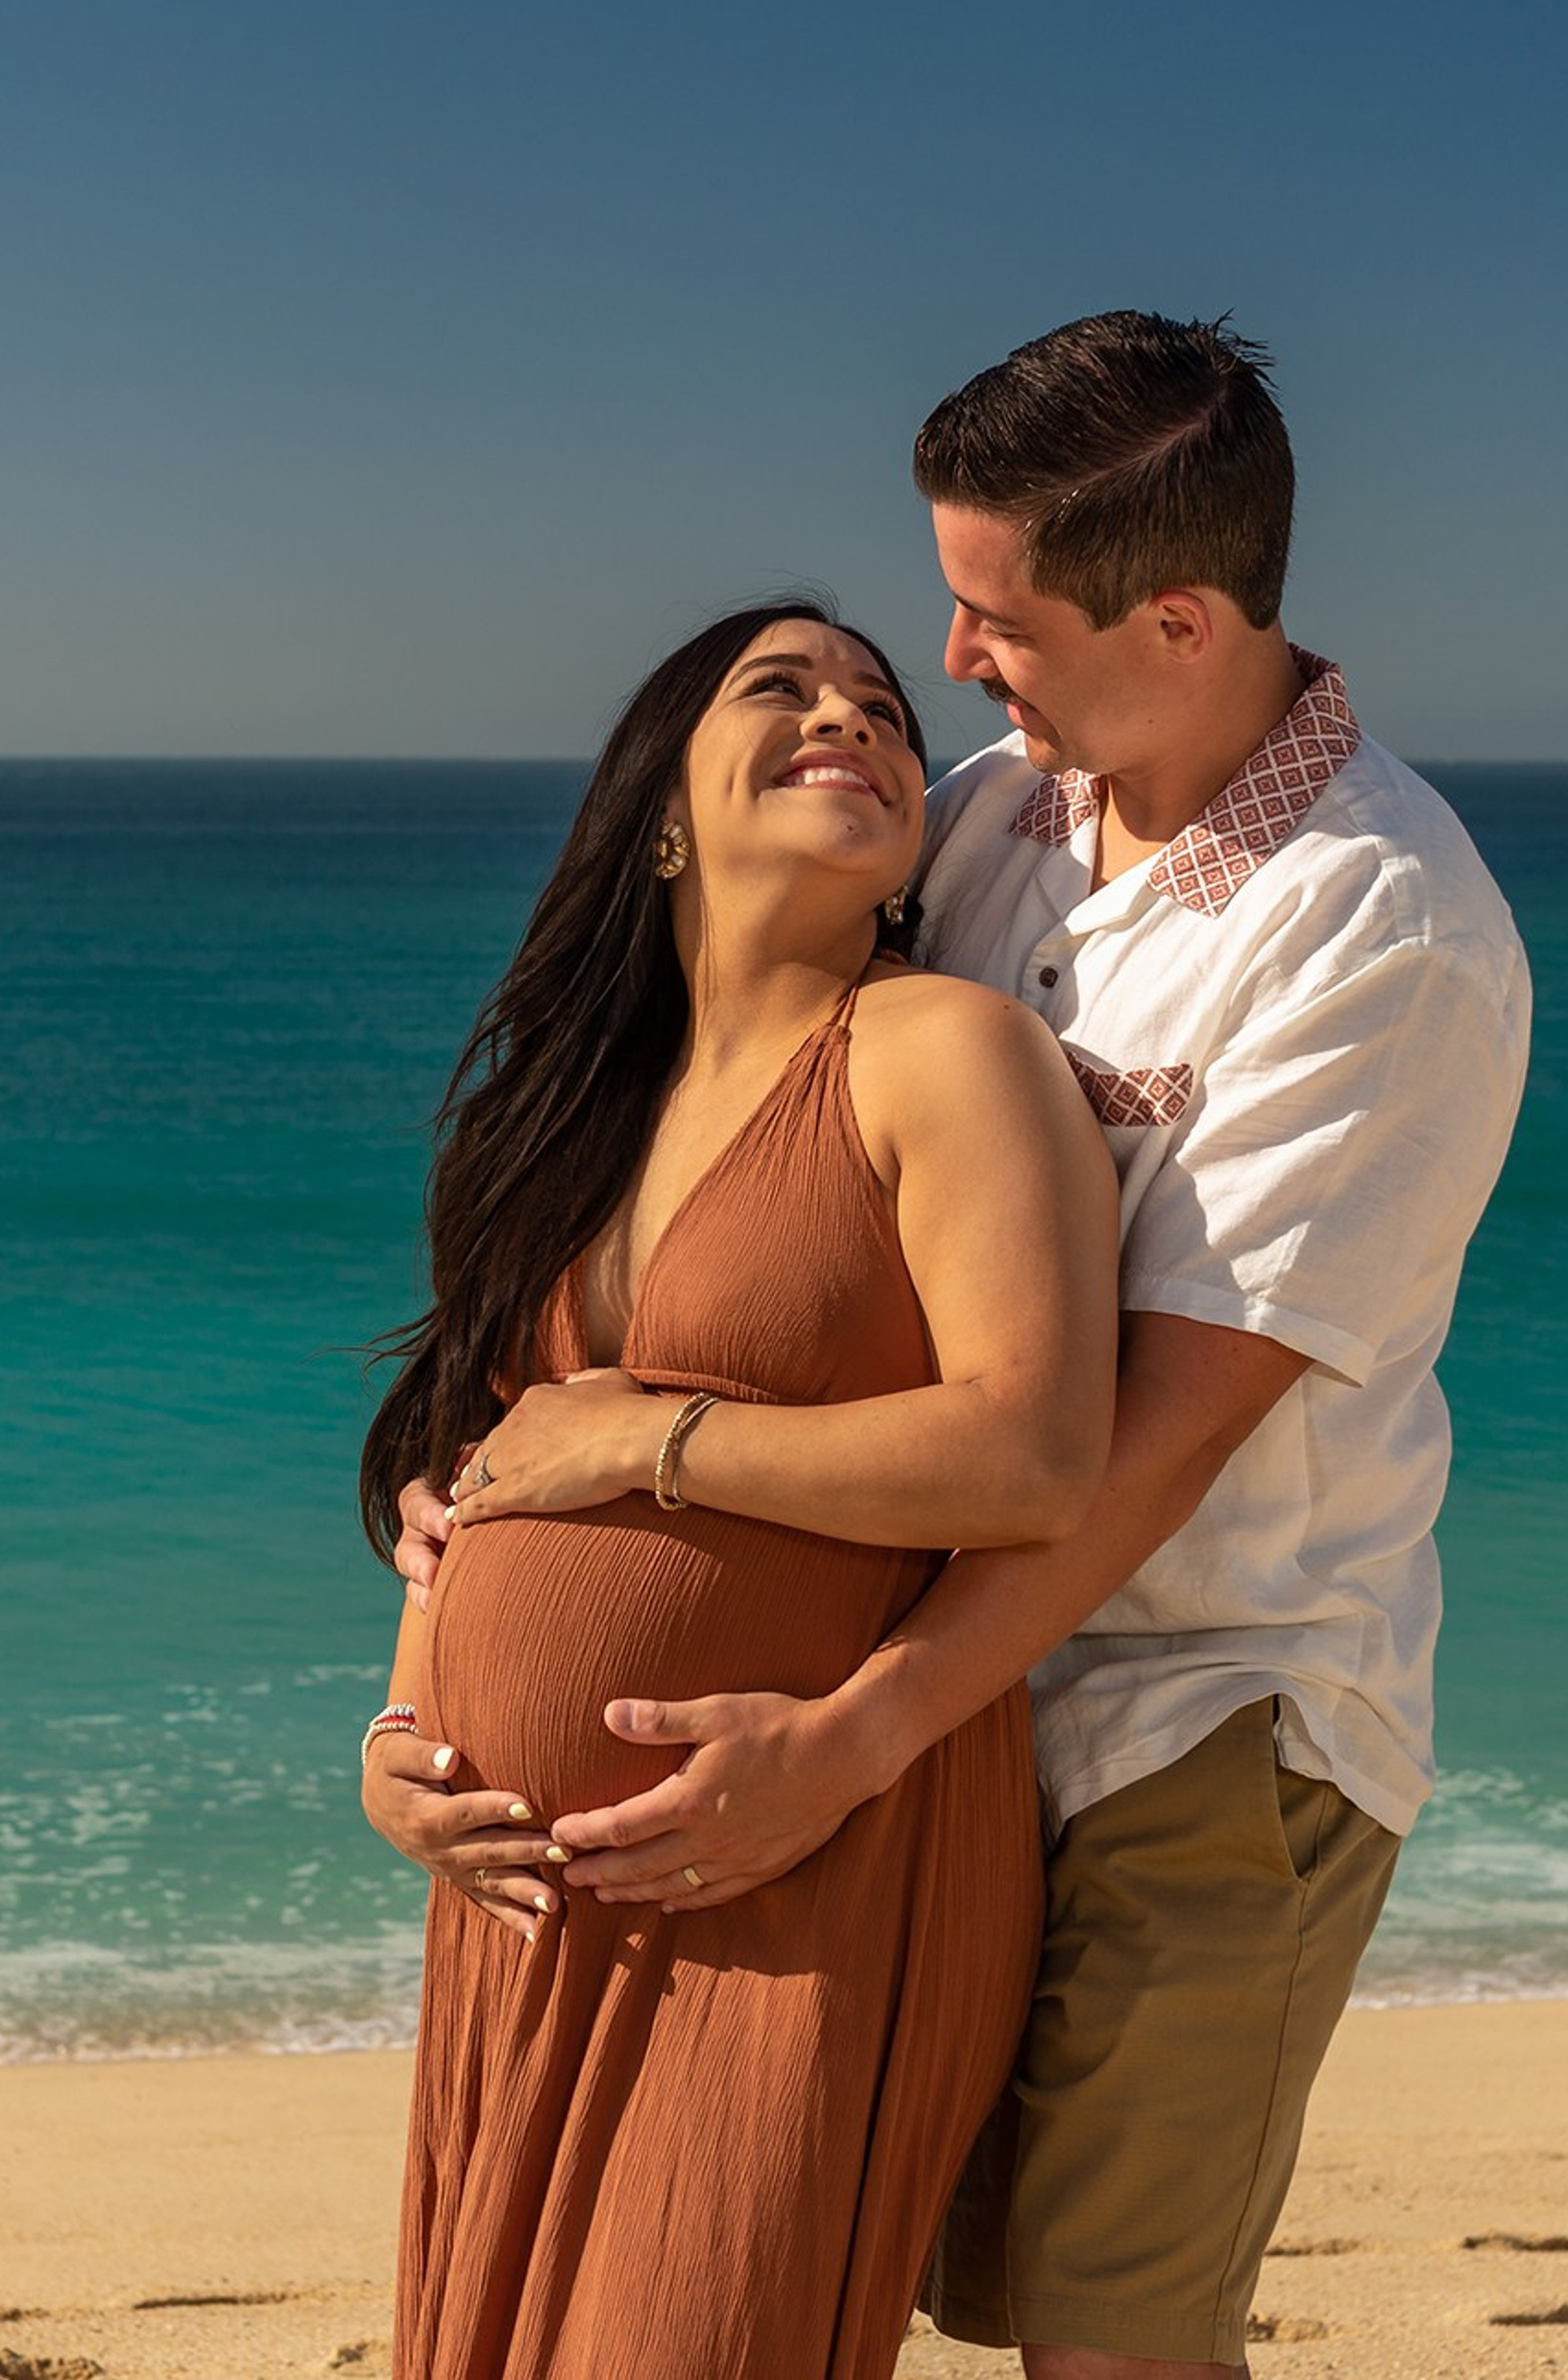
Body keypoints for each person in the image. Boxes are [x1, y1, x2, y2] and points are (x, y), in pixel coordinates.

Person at [383, 312, 1532, 2378]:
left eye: (993, 618)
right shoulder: (996, 812)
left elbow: (1130, 1449)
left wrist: (834, 1712)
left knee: (1106, 2328)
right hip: (941, 1726)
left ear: (1175, 622)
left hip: (1203, 1705)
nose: (950, 660)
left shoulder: (1379, 931)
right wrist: (470, 1548)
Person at [357, 600, 1119, 2380]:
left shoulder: (943, 1052)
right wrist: (400, 1741)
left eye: (883, 710)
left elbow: (1034, 1450)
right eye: (783, 691)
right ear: (663, 820)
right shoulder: (564, 1122)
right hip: (528, 1897)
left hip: (802, 1851)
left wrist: (654, 1436)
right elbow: (482, 1476)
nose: (850, 717)